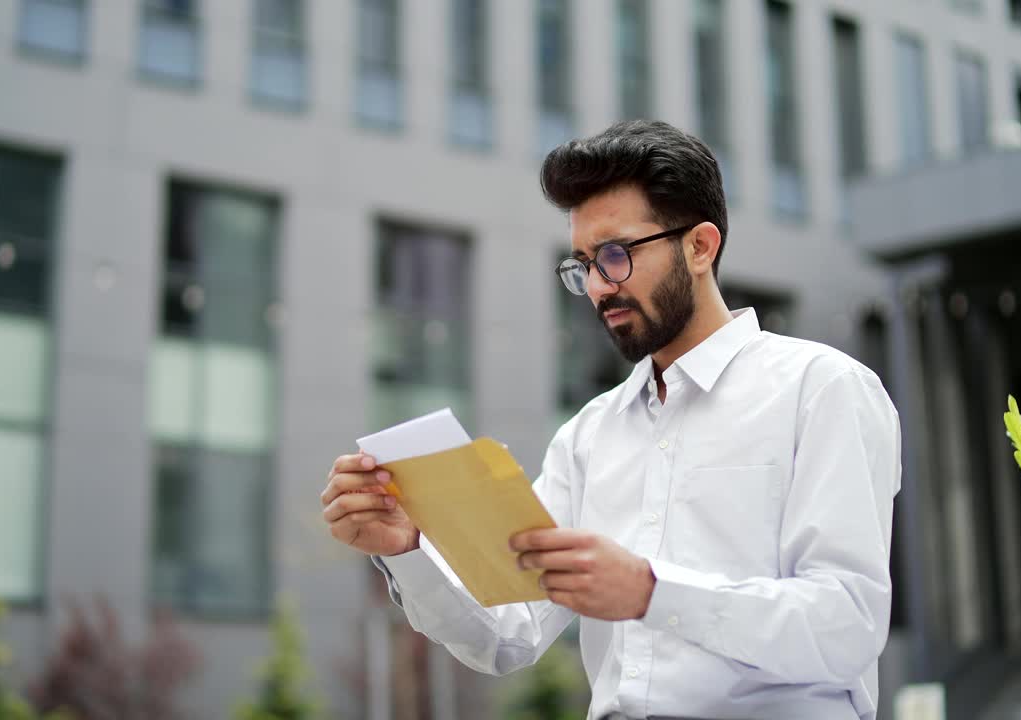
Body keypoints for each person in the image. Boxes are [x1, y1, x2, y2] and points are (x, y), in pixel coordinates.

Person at [320, 120, 901, 720]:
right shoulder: (588, 435)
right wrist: (408, 550)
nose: (599, 287)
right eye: (583, 264)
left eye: (617, 255)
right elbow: (509, 633)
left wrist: (653, 592)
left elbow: (848, 626)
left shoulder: (822, 389)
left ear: (700, 246)